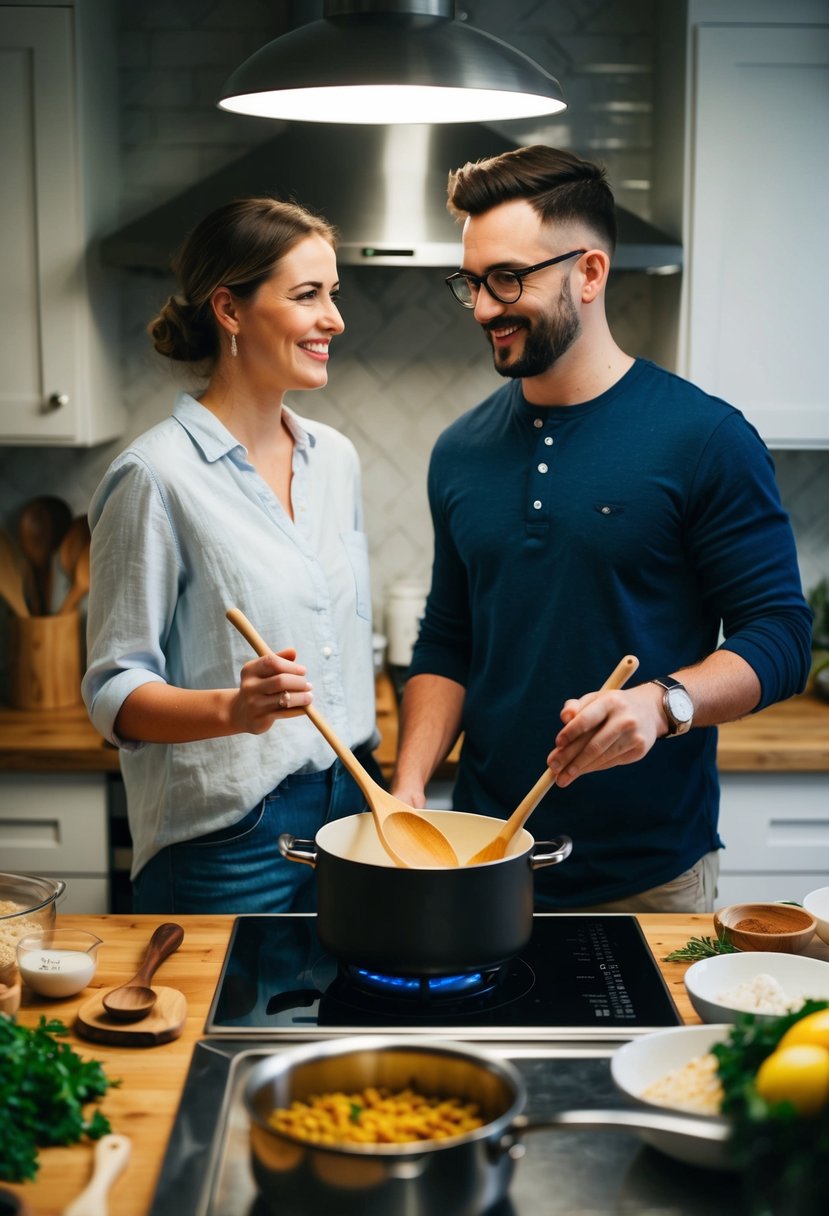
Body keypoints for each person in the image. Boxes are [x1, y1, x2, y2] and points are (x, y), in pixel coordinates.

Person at [391, 146, 812, 913]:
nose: (485, 307)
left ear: (588, 273)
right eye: (473, 282)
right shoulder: (458, 451)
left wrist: (661, 705)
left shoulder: (704, 438)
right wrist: (409, 787)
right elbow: (448, 640)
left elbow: (780, 635)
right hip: (486, 863)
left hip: (649, 879)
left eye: (508, 278)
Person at [82, 196, 380, 914]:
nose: (333, 319)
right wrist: (234, 708)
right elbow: (113, 693)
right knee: (223, 1029)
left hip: (354, 815)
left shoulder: (333, 459)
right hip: (230, 840)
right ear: (231, 309)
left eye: (332, 294)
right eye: (306, 295)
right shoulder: (154, 477)